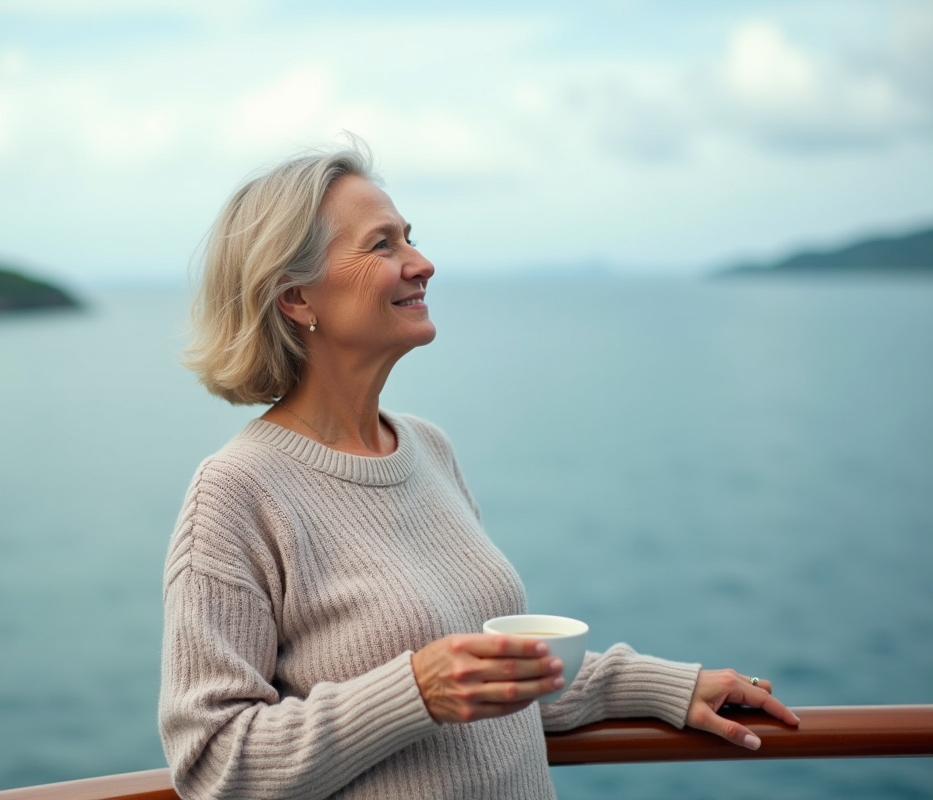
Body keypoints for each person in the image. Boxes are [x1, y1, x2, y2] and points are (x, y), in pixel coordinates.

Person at [158, 142, 799, 800]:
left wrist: (668, 686)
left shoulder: (429, 450)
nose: (422, 263)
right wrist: (415, 692)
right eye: (383, 245)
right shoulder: (235, 493)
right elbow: (210, 763)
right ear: (295, 297)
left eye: (410, 237)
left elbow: (492, 682)